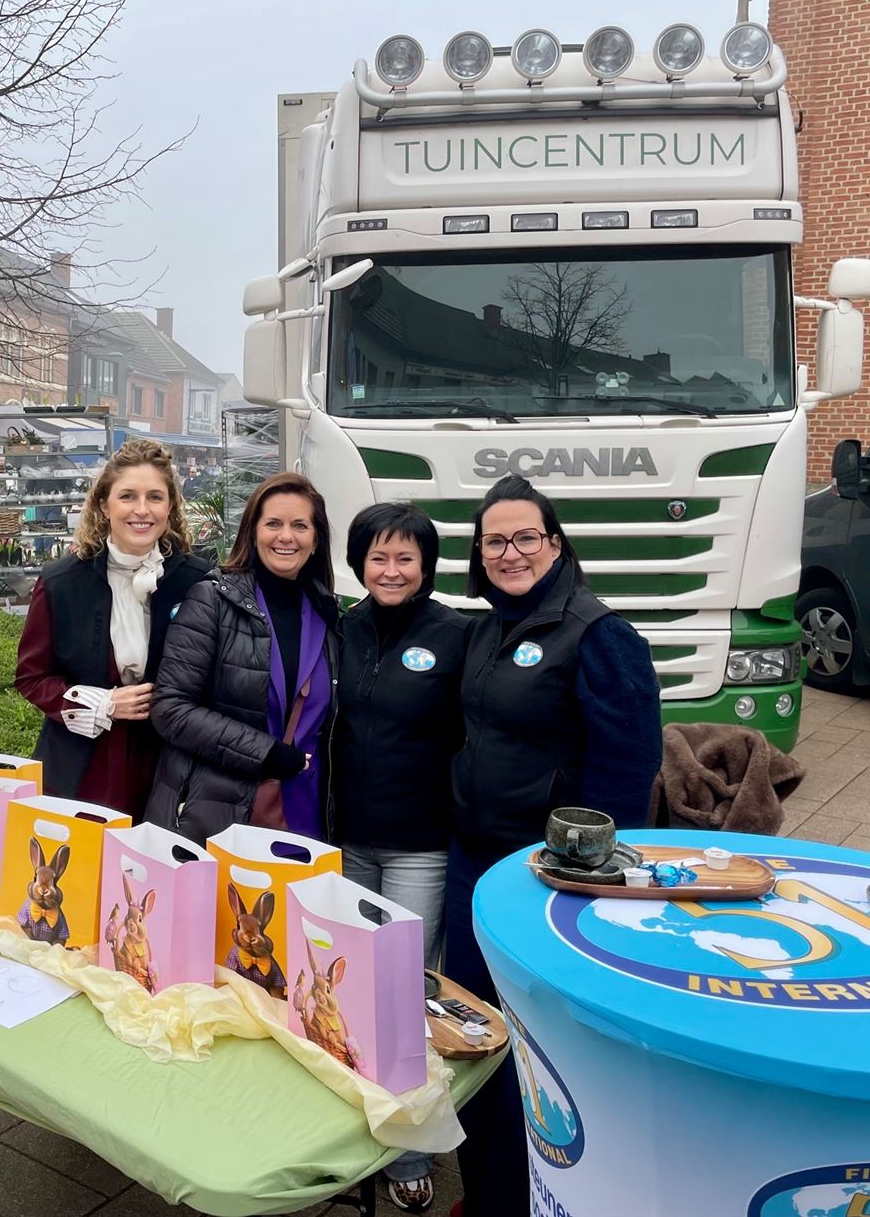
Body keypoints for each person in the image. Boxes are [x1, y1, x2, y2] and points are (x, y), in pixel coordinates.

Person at [444, 475, 662, 1217]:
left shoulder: (600, 636)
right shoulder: (485, 628)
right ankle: (479, 1191)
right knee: (471, 1032)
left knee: (529, 1054)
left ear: (557, 543)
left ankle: (517, 1200)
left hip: (542, 880)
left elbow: (628, 774)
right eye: (494, 541)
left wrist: (589, 883)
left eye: (526, 537)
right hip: (472, 865)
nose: (511, 553)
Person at [334, 502, 467, 1214]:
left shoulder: (455, 634)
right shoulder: (342, 628)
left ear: (426, 565)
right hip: (347, 840)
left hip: (420, 843)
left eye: (405, 558)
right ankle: (355, 1117)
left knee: (407, 989)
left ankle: (412, 1148)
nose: (391, 570)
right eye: (378, 557)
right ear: (359, 562)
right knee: (351, 984)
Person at [14, 439, 213, 817]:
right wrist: (103, 704)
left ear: (170, 507)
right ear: (104, 505)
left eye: (155, 497)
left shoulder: (197, 581)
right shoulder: (62, 582)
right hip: (82, 766)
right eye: (127, 496)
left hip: (168, 768)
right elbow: (31, 677)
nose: (142, 509)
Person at [146, 472, 339, 844]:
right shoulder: (212, 601)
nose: (286, 536)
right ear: (253, 532)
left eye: (300, 525)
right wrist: (265, 753)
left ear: (316, 540)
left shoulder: (328, 615)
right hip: (216, 815)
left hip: (305, 814)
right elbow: (171, 708)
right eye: (273, 524)